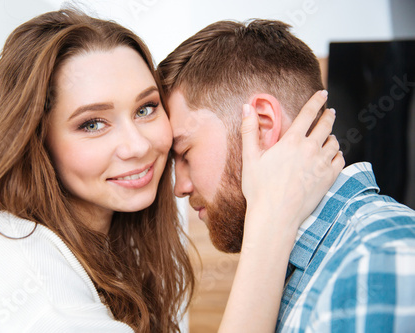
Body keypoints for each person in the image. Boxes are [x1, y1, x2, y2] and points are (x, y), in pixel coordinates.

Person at [0, 10, 342, 333]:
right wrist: (273, 217)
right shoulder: (11, 253)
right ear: (34, 143)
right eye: (92, 123)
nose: (138, 145)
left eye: (145, 108)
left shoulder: (114, 249)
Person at [157, 18, 415, 332]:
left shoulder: (374, 262)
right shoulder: (297, 267)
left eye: (184, 153)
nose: (179, 187)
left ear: (262, 126)